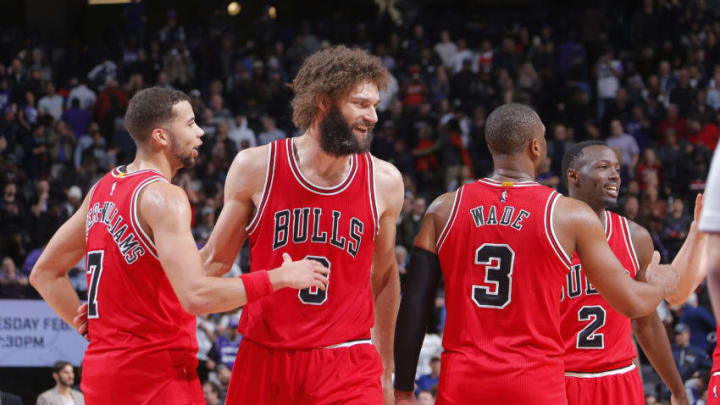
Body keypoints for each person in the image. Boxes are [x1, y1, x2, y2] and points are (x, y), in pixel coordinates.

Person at [29, 87, 329, 404]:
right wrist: (279, 277)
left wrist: (96, 329)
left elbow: (45, 273)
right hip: (156, 377)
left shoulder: (103, 189)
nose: (200, 132)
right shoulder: (164, 197)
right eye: (189, 123)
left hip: (102, 373)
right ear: (161, 137)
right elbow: (196, 296)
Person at [394, 103, 678, 404]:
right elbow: (631, 302)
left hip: (463, 380)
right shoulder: (569, 215)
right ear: (536, 147)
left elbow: (414, 304)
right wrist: (660, 284)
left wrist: (403, 389)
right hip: (534, 381)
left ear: (491, 146)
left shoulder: (443, 209)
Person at [200, 45, 404, 404]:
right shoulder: (256, 167)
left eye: (375, 105)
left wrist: (387, 366)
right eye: (361, 104)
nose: (373, 116)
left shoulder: (384, 181)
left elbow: (384, 277)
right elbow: (213, 263)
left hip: (346, 359)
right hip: (265, 355)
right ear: (324, 101)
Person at [559, 141, 689, 404]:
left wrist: (677, 390)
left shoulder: (635, 237)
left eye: (617, 168)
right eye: (603, 166)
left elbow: (647, 323)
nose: (615, 175)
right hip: (559, 376)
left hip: (618, 376)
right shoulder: (546, 233)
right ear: (573, 176)